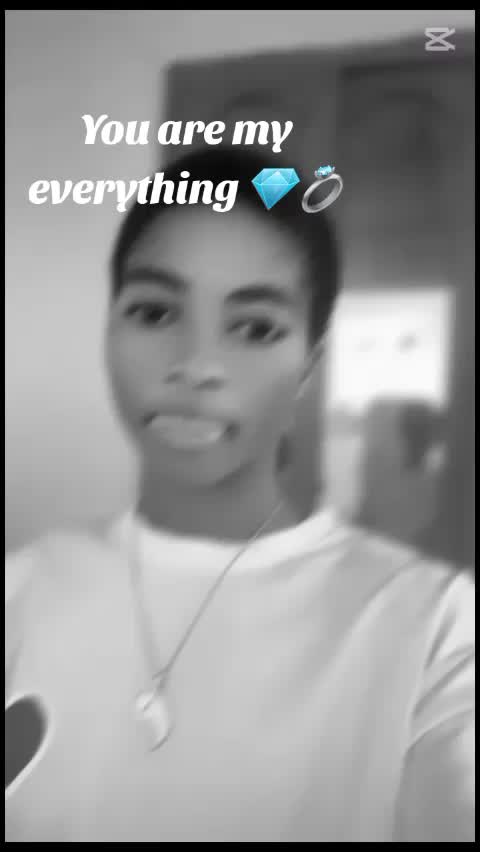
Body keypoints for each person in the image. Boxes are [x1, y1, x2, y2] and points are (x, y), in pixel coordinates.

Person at [5, 150, 474, 842]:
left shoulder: (432, 627)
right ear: (109, 327)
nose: (196, 366)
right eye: (155, 312)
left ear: (308, 367)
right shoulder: (25, 588)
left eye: (255, 327)